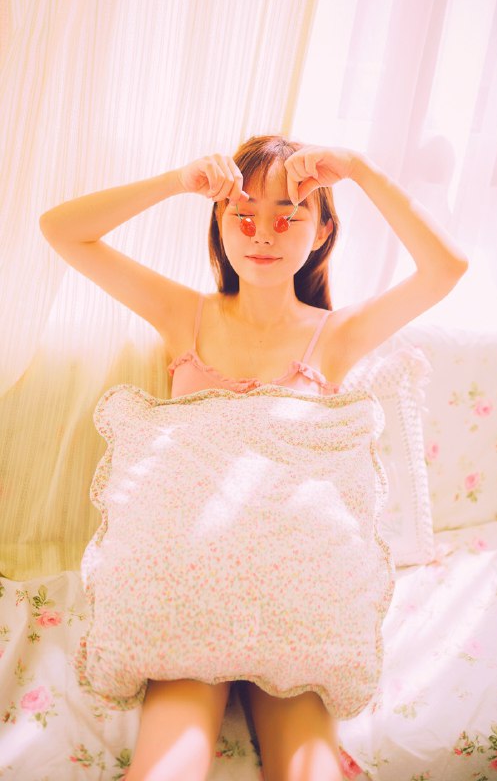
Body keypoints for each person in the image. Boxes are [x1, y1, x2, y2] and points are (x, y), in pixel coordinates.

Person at [39, 134, 469, 781]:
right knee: (166, 769)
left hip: (293, 592)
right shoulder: (185, 315)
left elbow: (446, 268)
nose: (263, 233)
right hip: (191, 587)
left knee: (309, 769)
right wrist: (176, 182)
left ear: (322, 231)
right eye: (243, 215)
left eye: (288, 216)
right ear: (218, 223)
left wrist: (359, 169)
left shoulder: (335, 335)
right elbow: (61, 230)